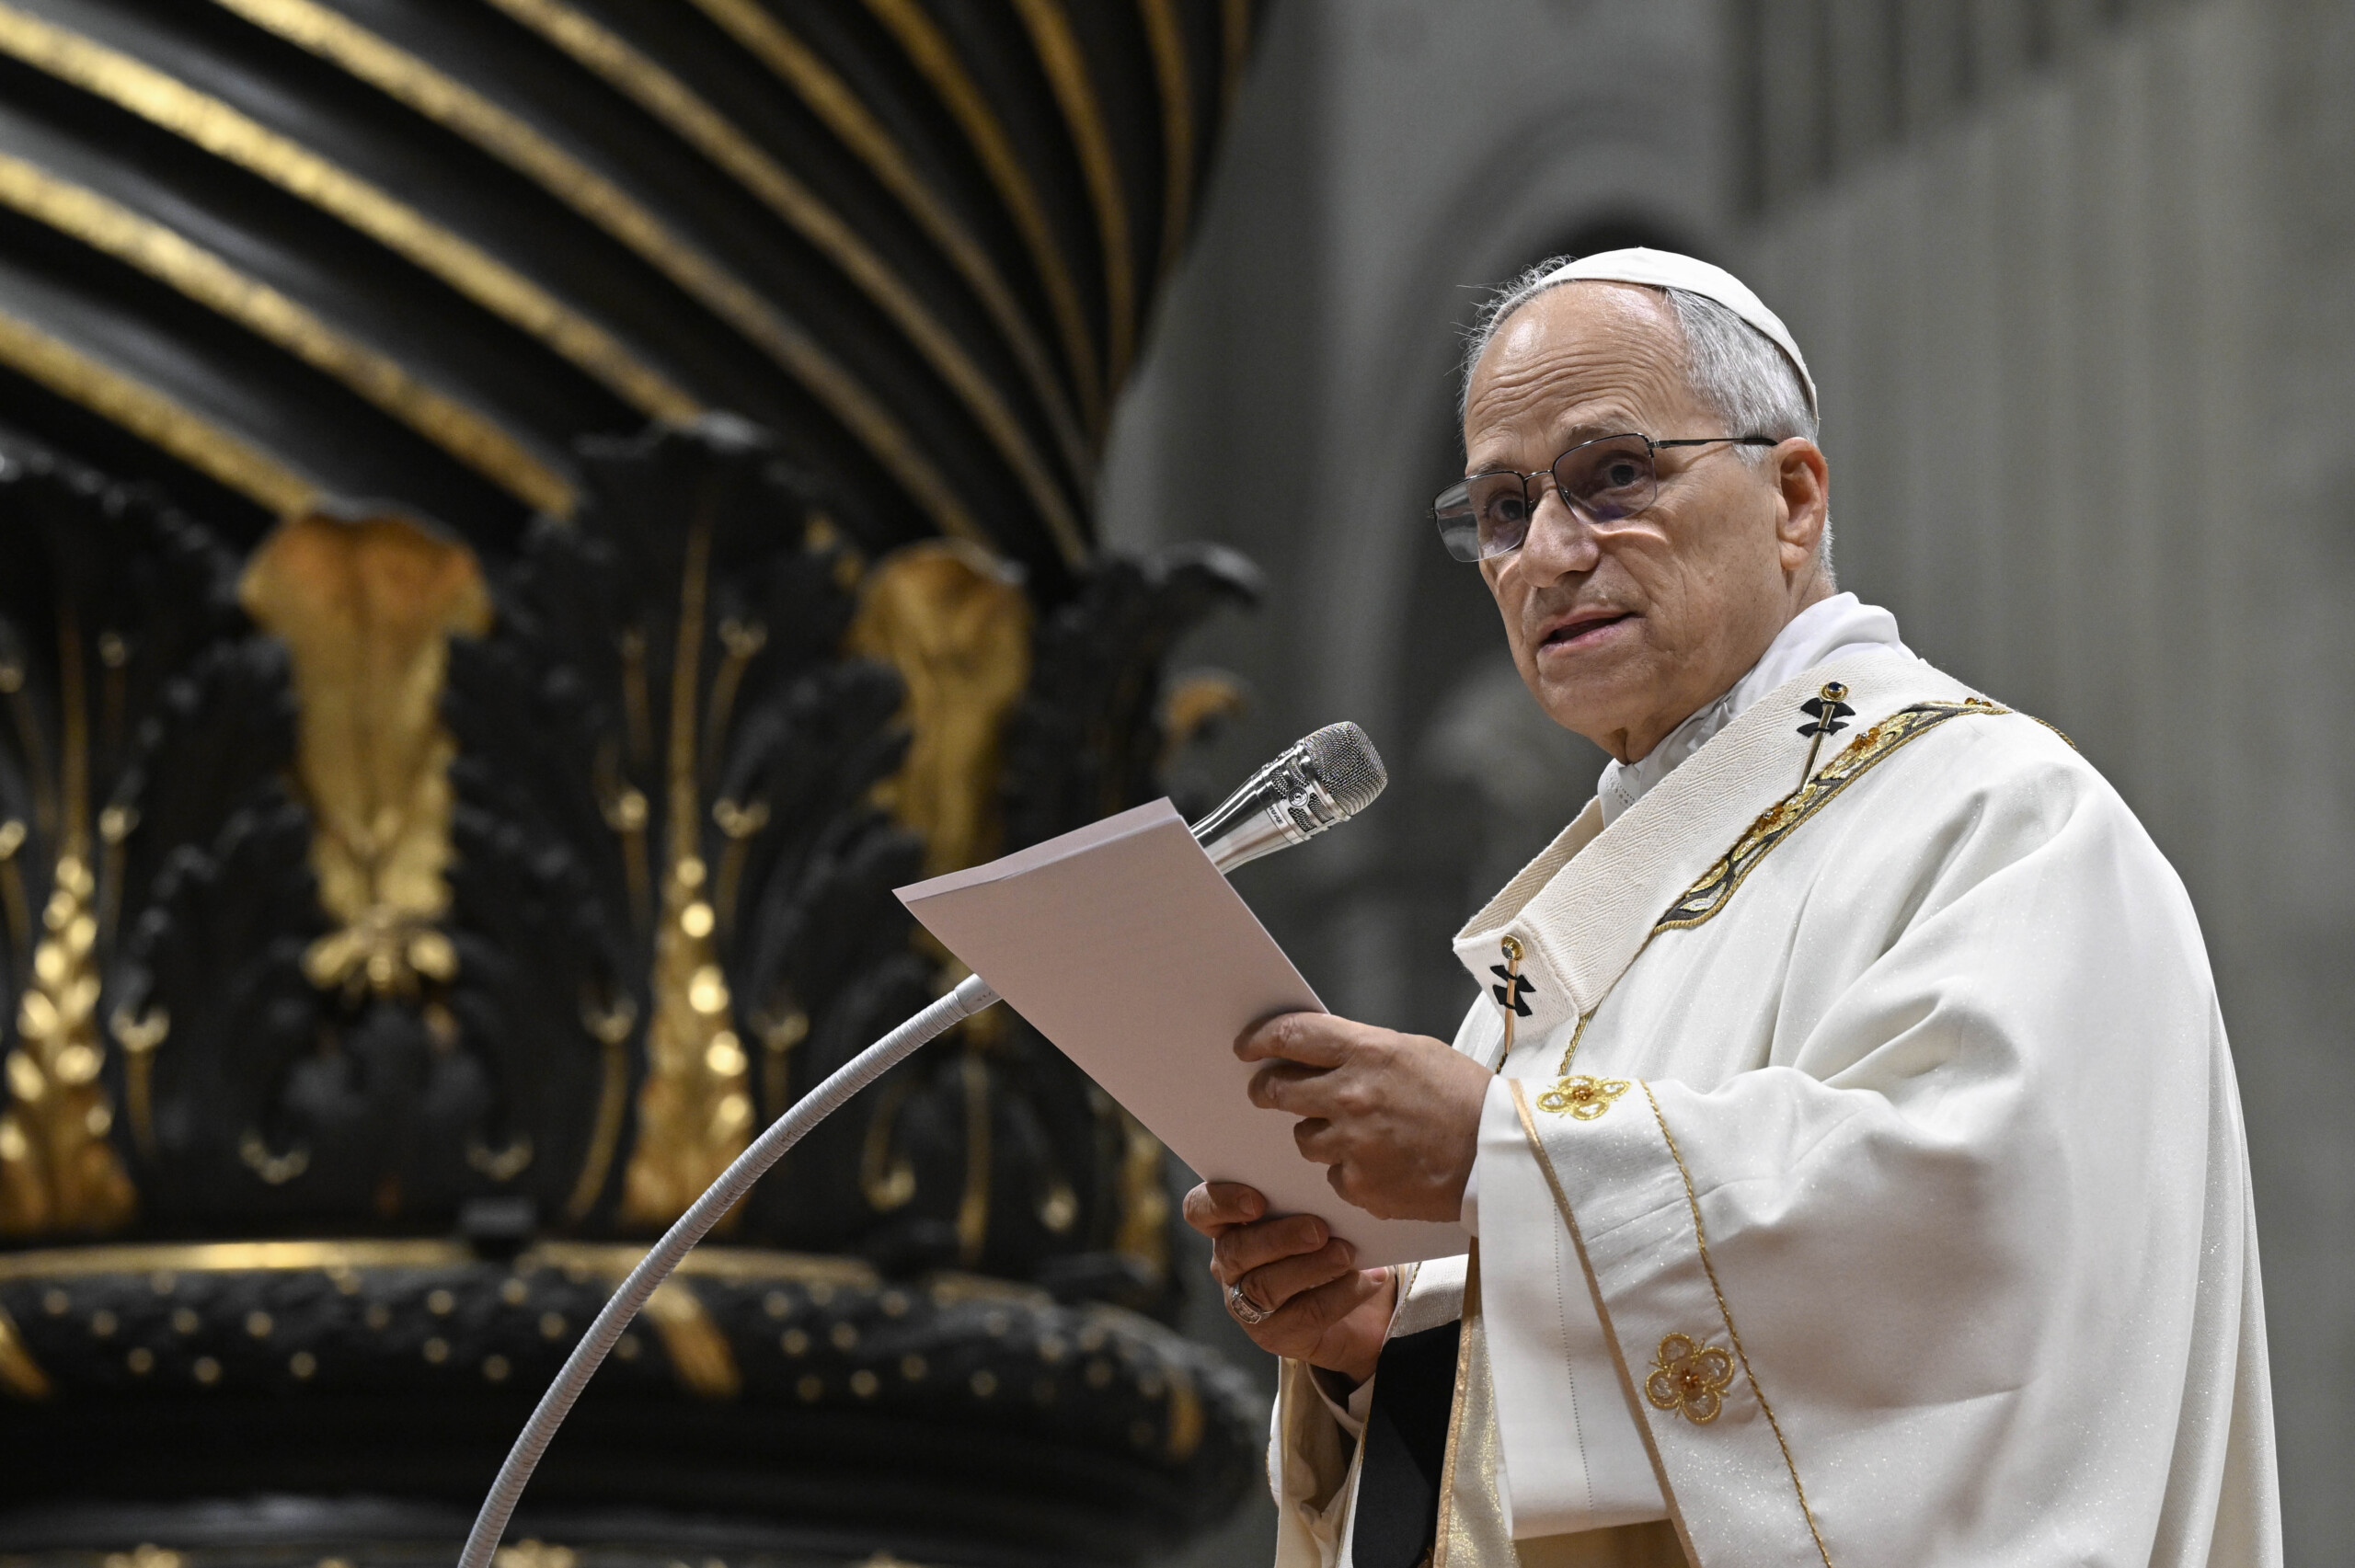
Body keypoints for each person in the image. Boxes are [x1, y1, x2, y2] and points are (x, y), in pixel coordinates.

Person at [1184, 248, 2280, 1568]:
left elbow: (1974, 1244)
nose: (1548, 551)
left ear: (1793, 498)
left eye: (1614, 476)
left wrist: (1504, 1161)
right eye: (1501, 505)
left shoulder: (1999, 820)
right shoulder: (1541, 981)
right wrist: (1390, 1351)